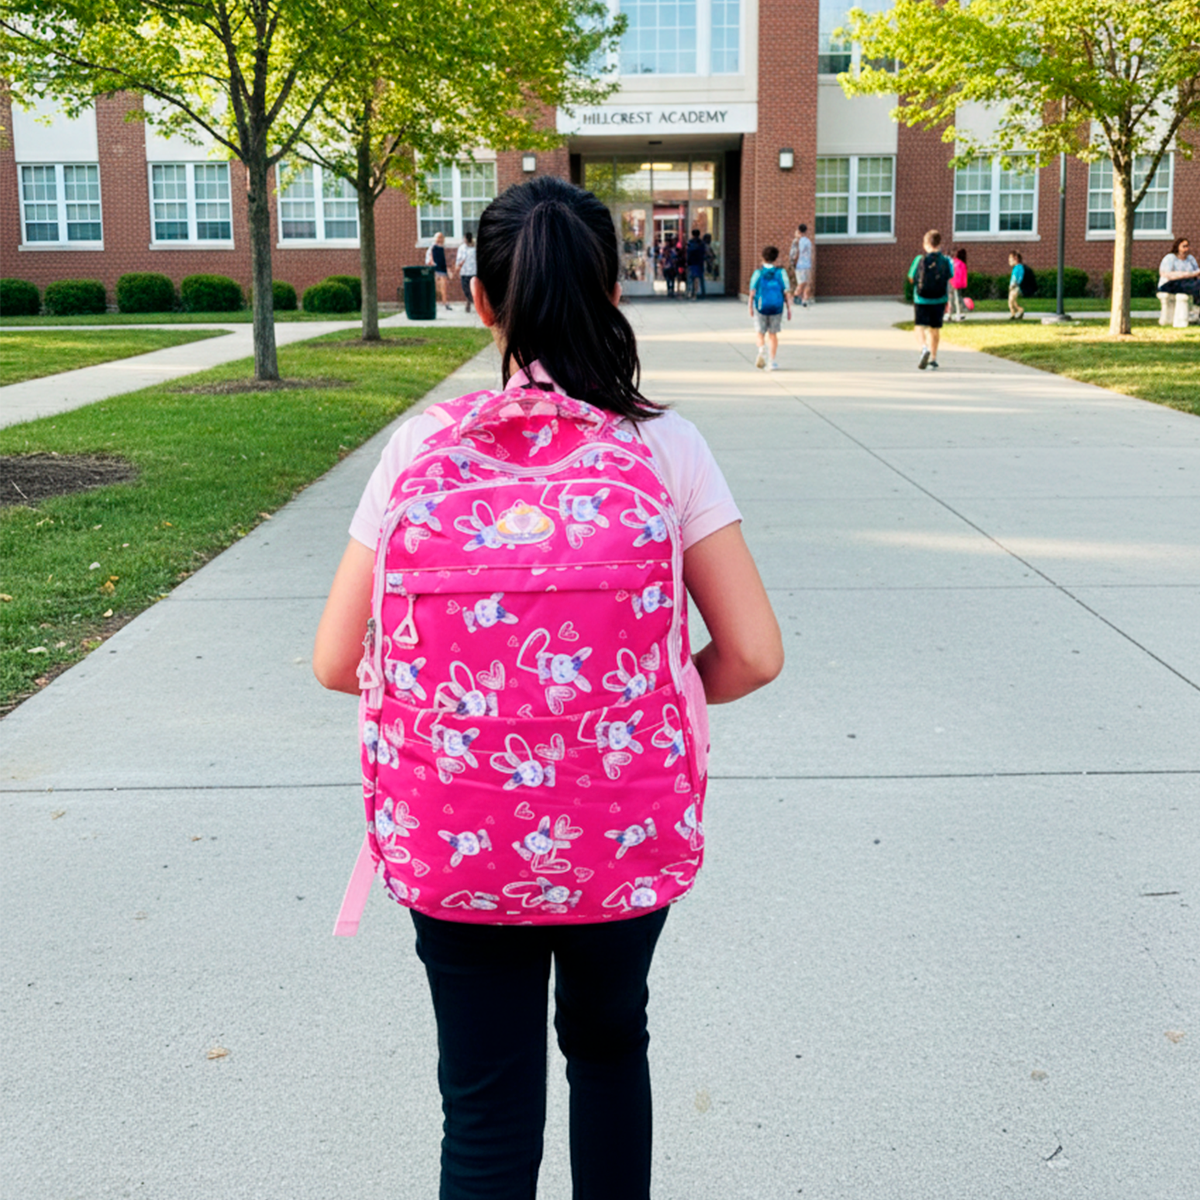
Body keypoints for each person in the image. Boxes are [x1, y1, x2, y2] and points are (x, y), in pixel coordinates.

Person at [312, 174, 783, 1200]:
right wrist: (646, 704)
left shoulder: (419, 453)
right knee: (611, 1050)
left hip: (455, 829)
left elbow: (336, 660)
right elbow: (752, 653)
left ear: (478, 301)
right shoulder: (667, 448)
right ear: (614, 293)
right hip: (624, 827)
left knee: (483, 1112)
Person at [906, 229, 954, 370]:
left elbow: (911, 277)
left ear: (926, 244)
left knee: (919, 326)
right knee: (935, 329)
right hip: (939, 299)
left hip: (921, 299)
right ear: (939, 243)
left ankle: (923, 348)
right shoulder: (946, 260)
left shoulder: (919, 259)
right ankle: (933, 358)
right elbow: (949, 277)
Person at [748, 245, 792, 370]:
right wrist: (789, 308)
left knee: (760, 332)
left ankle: (761, 350)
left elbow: (752, 291)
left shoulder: (758, 273)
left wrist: (750, 307)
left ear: (762, 257)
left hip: (760, 306)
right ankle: (771, 362)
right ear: (776, 258)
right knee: (773, 334)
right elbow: (786, 291)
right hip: (777, 307)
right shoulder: (781, 273)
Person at [1158, 237, 1200, 313]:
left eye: (1187, 246)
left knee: (1197, 284)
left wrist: (1192, 275)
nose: (1186, 249)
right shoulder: (1170, 258)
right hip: (1169, 284)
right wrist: (1187, 274)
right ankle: (1196, 307)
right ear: (1177, 247)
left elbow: (1197, 272)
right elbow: (1166, 274)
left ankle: (1196, 306)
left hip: (1186, 283)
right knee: (1194, 285)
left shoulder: (1190, 259)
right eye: (1184, 246)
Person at [789, 223, 815, 307]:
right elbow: (810, 253)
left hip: (799, 265)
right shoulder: (808, 241)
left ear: (798, 231)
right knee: (807, 283)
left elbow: (794, 253)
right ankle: (805, 300)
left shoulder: (796, 241)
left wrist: (793, 262)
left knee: (800, 283)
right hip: (807, 264)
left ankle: (794, 297)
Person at [426, 230, 452, 311]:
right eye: (438, 237)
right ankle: (432, 303)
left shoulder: (443, 248)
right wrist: (432, 264)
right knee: (436, 288)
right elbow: (430, 258)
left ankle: (445, 303)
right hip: (435, 270)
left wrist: (448, 270)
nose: (440, 239)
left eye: (441, 237)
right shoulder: (433, 247)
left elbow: (445, 260)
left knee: (444, 288)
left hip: (442, 270)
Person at [454, 231, 477, 314]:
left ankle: (470, 303)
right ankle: (469, 301)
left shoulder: (475, 247)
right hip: (464, 272)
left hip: (474, 271)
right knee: (465, 289)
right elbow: (458, 258)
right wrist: (457, 267)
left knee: (473, 289)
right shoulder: (462, 248)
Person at [946, 247, 968, 322]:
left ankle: (949, 314)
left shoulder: (953, 262)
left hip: (951, 282)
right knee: (957, 299)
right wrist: (964, 284)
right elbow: (963, 275)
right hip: (958, 284)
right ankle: (958, 314)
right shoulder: (962, 264)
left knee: (951, 299)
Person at [686, 227, 706, 299]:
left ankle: (691, 292)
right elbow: (703, 253)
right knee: (699, 278)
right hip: (699, 263)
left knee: (691, 279)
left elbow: (688, 253)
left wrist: (687, 262)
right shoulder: (701, 243)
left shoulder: (690, 243)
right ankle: (701, 292)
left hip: (692, 263)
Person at [1006, 250, 1026, 321]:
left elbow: (1019, 278)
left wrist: (1014, 285)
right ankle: (1019, 311)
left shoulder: (1019, 268)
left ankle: (1014, 314)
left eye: (1010, 259)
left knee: (1011, 301)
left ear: (1015, 259)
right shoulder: (1016, 268)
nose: (1009, 261)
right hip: (1013, 287)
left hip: (1015, 287)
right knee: (1013, 302)